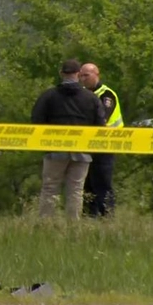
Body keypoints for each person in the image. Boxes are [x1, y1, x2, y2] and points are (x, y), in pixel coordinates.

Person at [31, 59, 106, 220]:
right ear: (78, 74)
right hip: (82, 151)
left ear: (61, 74)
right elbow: (101, 125)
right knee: (76, 190)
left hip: (55, 149)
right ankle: (73, 227)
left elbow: (36, 120)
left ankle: (45, 225)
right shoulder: (91, 98)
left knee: (50, 188)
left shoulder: (48, 96)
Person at [79, 62, 122, 217]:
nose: (83, 79)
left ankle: (107, 217)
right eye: (81, 75)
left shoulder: (106, 94)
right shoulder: (83, 95)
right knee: (87, 186)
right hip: (88, 146)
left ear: (97, 74)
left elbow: (102, 118)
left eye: (86, 75)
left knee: (102, 184)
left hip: (105, 145)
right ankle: (89, 218)